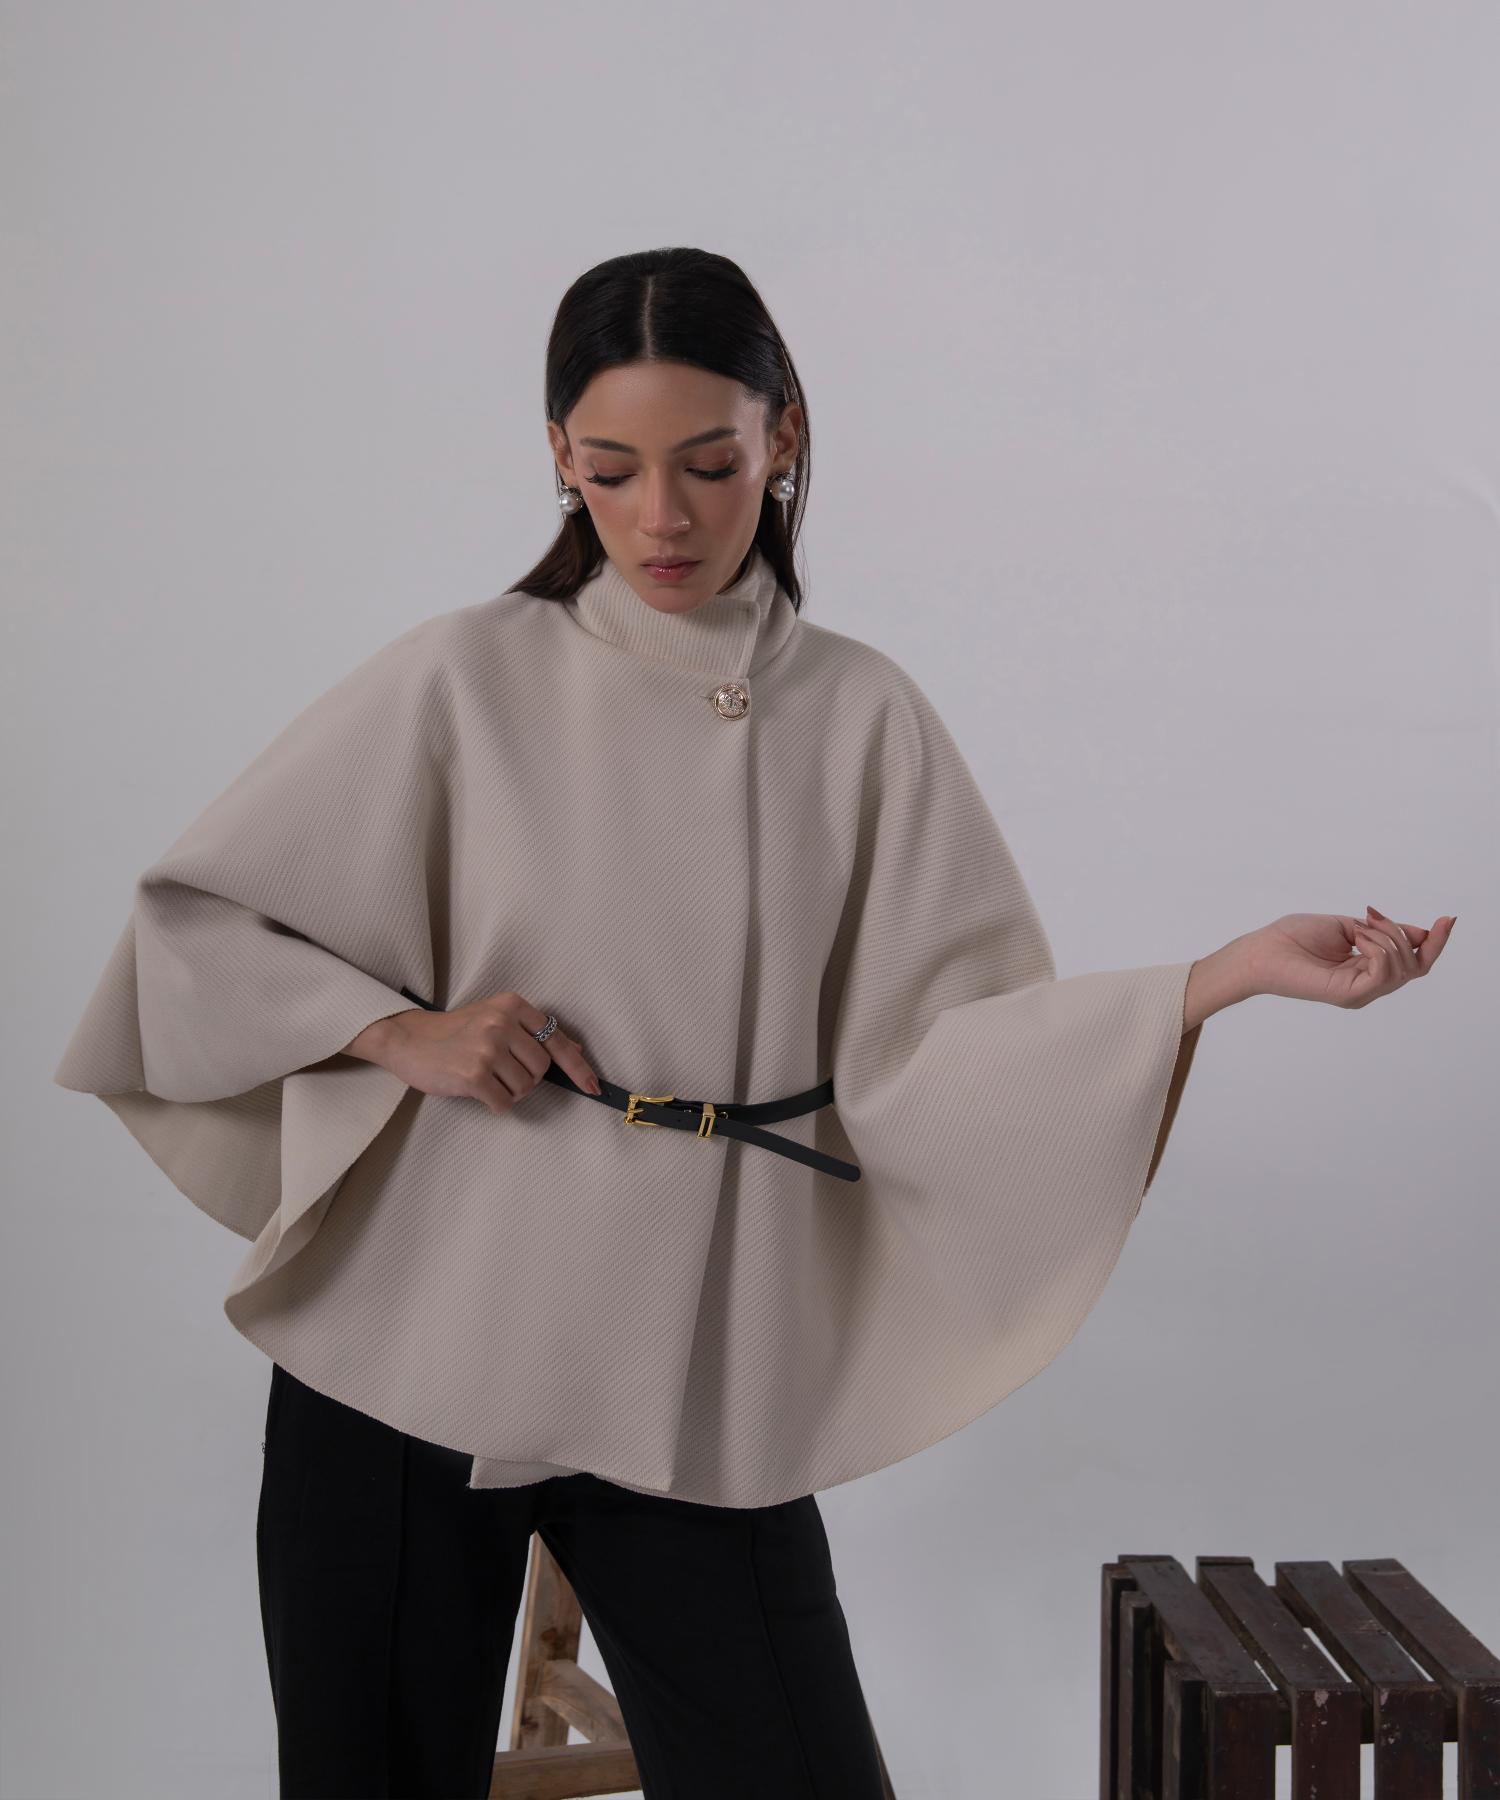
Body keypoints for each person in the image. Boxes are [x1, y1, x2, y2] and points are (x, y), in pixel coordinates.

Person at [53, 246, 1455, 1799]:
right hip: (407, 1339)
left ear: (782, 437)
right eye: (613, 471)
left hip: (694, 1364)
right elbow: (196, 928)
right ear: (558, 458)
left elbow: (943, 1057)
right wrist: (402, 1032)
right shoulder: (462, 678)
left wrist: (1219, 976)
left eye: (709, 464)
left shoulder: (860, 717)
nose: (663, 516)